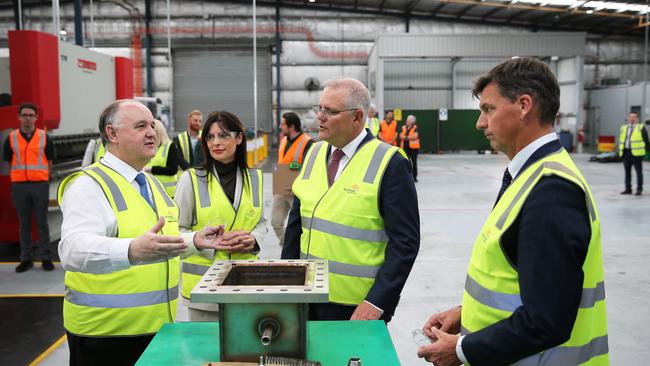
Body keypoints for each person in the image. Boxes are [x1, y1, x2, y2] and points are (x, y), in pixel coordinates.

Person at [417, 58, 608, 366]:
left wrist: (463, 349)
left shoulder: (550, 192)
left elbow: (547, 320)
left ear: (523, 106)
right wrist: (466, 315)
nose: (480, 123)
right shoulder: (530, 176)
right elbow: (520, 283)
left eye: (488, 109)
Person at [58, 99, 225, 365]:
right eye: (140, 126)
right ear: (112, 134)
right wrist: (131, 250)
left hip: (155, 328)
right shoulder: (88, 185)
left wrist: (194, 240)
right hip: (106, 336)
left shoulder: (150, 183)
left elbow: (158, 242)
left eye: (151, 125)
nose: (151, 132)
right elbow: (72, 250)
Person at [281, 78, 420, 323]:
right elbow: (295, 224)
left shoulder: (389, 162)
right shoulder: (314, 152)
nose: (320, 117)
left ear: (357, 117)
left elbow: (405, 243)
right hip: (307, 296)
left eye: (330, 111)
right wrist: (286, 284)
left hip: (355, 307)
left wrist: (378, 301)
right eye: (319, 109)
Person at [176, 110, 268, 321]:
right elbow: (176, 233)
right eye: (210, 137)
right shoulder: (191, 179)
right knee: (206, 354)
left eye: (223, 135)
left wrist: (253, 239)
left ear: (239, 138)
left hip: (247, 286)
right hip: (204, 291)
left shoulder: (255, 178)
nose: (215, 142)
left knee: (244, 354)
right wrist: (206, 243)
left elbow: (262, 223)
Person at [2, 103, 55, 272]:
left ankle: (46, 257)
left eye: (31, 115)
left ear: (36, 118)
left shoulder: (44, 137)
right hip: (19, 186)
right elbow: (10, 162)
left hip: (39, 184)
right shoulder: (11, 138)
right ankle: (26, 259)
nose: (28, 118)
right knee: (24, 224)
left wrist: (44, 178)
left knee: (42, 223)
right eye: (24, 115)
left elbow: (50, 161)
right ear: (19, 117)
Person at [271, 112, 314, 246]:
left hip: (298, 193)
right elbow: (281, 163)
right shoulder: (283, 141)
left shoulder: (308, 143)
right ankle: (288, 246)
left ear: (292, 126)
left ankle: (297, 249)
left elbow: (312, 169)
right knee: (275, 222)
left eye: (283, 124)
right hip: (282, 190)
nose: (280, 127)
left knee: (301, 227)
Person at [145, 119, 179, 197]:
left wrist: (152, 169)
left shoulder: (170, 146)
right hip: (155, 192)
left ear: (158, 132)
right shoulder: (153, 147)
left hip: (169, 194)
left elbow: (173, 170)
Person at [618, 112, 649, 195]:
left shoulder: (640, 127)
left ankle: (639, 189)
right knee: (627, 172)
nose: (632, 119)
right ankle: (628, 189)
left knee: (639, 172)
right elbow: (621, 140)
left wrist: (644, 153)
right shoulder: (623, 128)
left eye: (634, 117)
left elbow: (646, 140)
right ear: (628, 118)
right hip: (626, 152)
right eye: (630, 117)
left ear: (637, 119)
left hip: (637, 154)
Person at [400, 114, 420, 182]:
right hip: (405, 148)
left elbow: (415, 136)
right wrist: (409, 138)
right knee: (405, 163)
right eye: (407, 120)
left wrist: (405, 137)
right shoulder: (403, 127)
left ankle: (414, 177)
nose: (407, 121)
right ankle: (406, 176)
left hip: (414, 148)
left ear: (412, 121)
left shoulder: (415, 127)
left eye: (408, 120)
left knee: (414, 163)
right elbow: (400, 136)